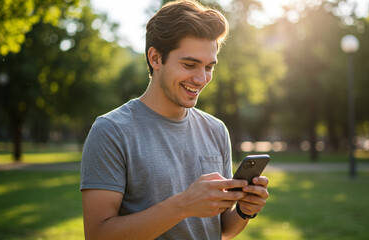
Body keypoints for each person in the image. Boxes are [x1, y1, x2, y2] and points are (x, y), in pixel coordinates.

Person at [80, 0, 269, 239]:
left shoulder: (216, 129)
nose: (201, 79)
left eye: (209, 67)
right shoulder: (111, 131)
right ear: (155, 58)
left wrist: (243, 211)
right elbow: (98, 235)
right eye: (190, 65)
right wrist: (183, 205)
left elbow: (220, 229)